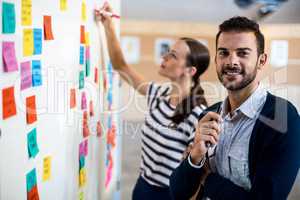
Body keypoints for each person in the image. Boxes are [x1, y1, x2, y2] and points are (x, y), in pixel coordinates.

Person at [169, 16, 300, 200]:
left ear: (261, 61)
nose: (231, 61)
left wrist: (207, 177)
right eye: (223, 53)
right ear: (216, 60)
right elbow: (177, 192)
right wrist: (195, 157)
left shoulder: (283, 117)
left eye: (243, 53)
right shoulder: (209, 115)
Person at [95, 3, 210, 199]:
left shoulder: (198, 115)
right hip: (142, 187)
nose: (164, 56)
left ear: (190, 71)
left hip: (170, 194)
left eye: (172, 55)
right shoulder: (158, 95)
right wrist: (108, 24)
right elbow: (121, 66)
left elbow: (199, 175)